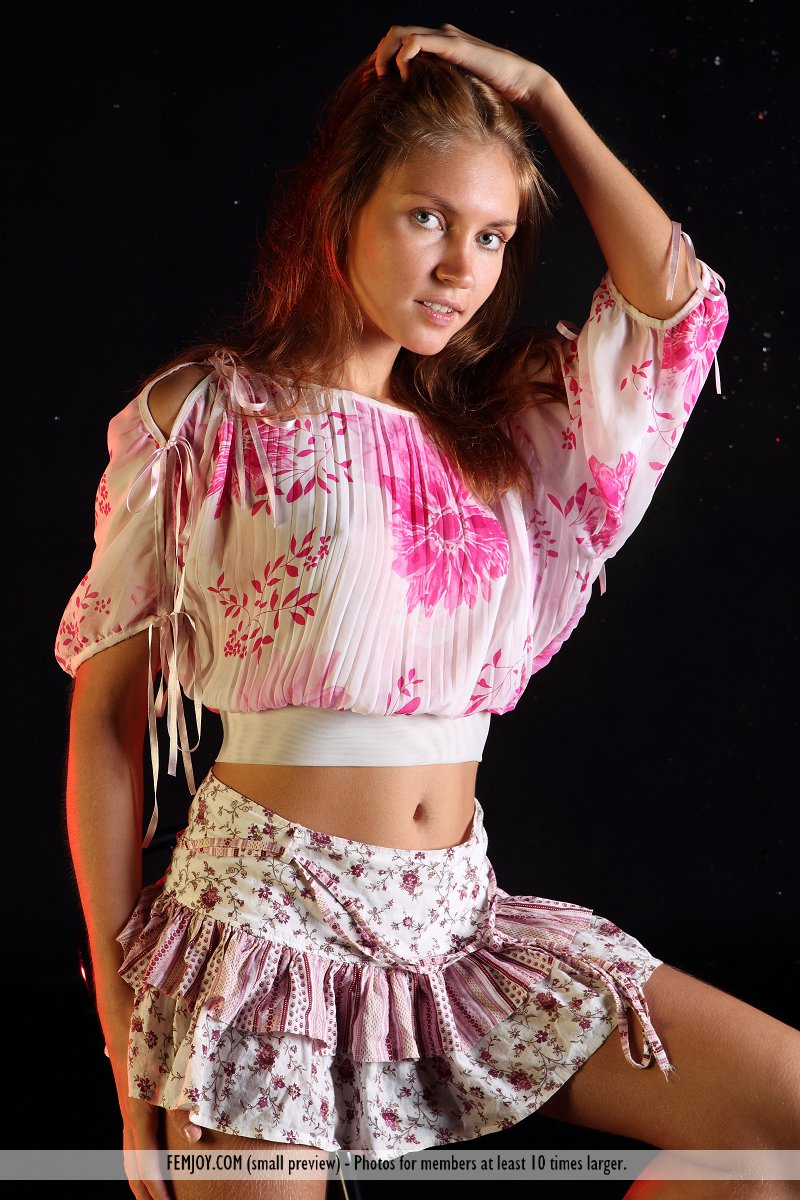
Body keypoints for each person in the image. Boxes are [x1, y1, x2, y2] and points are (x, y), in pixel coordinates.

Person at [56, 22, 799, 1200]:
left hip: (456, 924)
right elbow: (107, 728)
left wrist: (542, 95)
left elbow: (675, 316)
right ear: (340, 209)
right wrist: (123, 1036)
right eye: (426, 218)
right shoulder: (208, 420)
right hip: (260, 939)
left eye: (491, 235)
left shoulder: (506, 437)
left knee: (775, 1135)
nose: (461, 266)